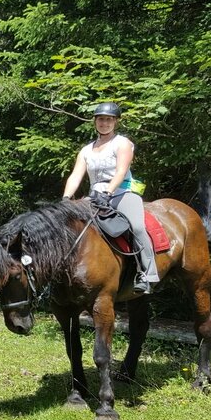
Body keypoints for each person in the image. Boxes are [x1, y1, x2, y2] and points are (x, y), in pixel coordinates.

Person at [62, 102, 158, 294]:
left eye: (108, 120)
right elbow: (75, 175)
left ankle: (147, 273)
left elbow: (121, 171)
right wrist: (65, 198)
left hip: (122, 192)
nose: (104, 123)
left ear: (115, 122)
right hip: (94, 196)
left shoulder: (122, 143)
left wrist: (108, 192)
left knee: (137, 227)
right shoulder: (86, 150)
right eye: (101, 119)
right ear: (95, 122)